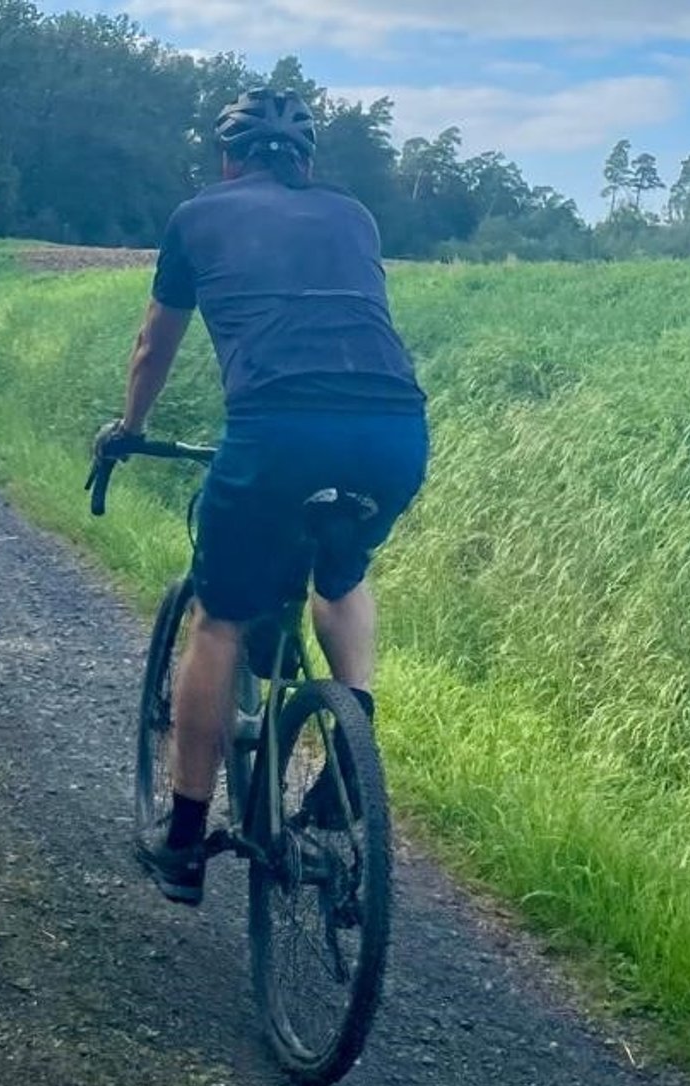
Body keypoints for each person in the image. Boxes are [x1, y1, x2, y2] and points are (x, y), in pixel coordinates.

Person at [95, 87, 431, 905]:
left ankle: (181, 840)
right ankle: (353, 734)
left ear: (227, 159)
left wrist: (128, 426)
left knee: (219, 619)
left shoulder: (197, 216)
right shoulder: (354, 216)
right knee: (341, 574)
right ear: (308, 162)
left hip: (276, 429)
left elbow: (152, 346)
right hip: (394, 429)